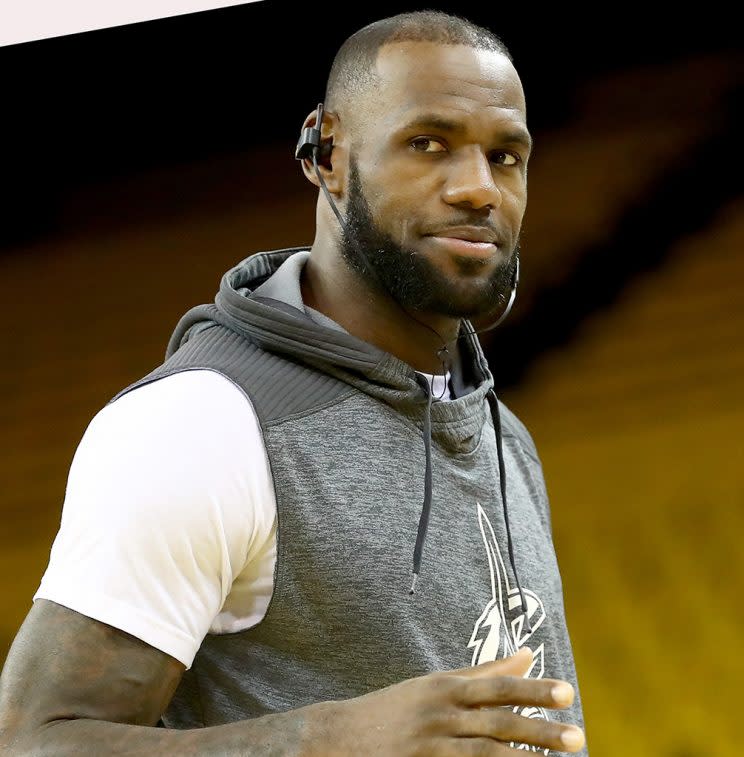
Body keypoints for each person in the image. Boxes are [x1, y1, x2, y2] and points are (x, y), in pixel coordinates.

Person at [0, 10, 588, 755]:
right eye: (428, 144)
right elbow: (31, 741)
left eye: (506, 157)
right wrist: (326, 737)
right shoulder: (203, 422)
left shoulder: (501, 431)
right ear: (328, 153)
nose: (478, 189)